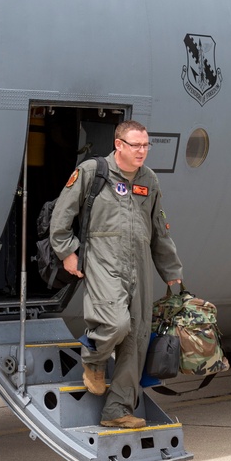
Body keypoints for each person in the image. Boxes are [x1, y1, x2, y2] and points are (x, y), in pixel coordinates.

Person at [50, 120, 183, 428]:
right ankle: (94, 361)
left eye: (146, 145)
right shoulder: (92, 172)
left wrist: (172, 271)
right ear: (119, 144)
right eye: (136, 145)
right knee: (115, 323)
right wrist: (67, 251)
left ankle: (117, 411)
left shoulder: (149, 180)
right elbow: (62, 213)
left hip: (139, 266)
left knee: (136, 339)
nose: (142, 151)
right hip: (102, 260)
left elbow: (159, 231)